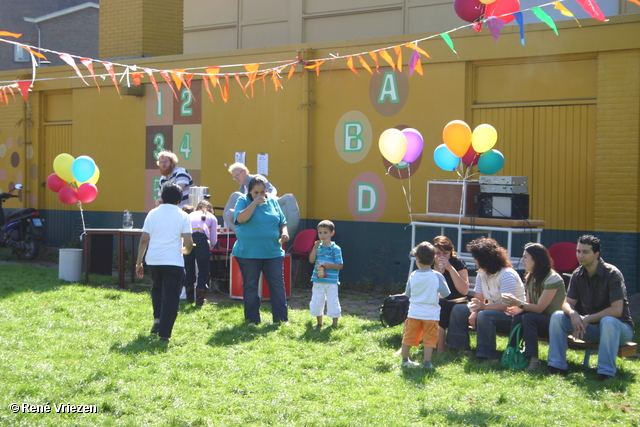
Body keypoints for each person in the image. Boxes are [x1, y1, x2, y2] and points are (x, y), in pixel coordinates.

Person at [547, 235, 634, 380]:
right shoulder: (578, 274)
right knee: (557, 316)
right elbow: (567, 303)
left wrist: (587, 319)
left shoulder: (612, 274)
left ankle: (606, 373)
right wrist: (573, 314)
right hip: (593, 328)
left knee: (608, 321)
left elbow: (617, 310)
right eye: (578, 251)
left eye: (585, 252)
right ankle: (557, 367)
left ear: (597, 254)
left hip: (620, 329)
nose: (580, 255)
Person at [446, 237, 525, 360]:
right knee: (459, 309)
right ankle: (459, 348)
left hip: (511, 317)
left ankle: (487, 355)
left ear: (485, 259)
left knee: (485, 315)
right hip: (491, 310)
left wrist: (483, 308)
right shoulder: (482, 273)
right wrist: (474, 311)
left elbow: (507, 305)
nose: (473, 260)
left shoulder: (507, 275)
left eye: (476, 257)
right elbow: (478, 299)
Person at [136, 183, 193, 341]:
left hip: (154, 260)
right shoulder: (183, 215)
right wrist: (186, 250)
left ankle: (157, 320)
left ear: (162, 196)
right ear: (179, 199)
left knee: (157, 289)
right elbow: (188, 241)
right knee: (171, 297)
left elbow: (144, 240)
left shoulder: (152, 213)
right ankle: (165, 334)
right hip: (174, 261)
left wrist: (139, 262)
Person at [232, 176, 289, 325]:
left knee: (277, 285)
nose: (260, 195)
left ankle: (281, 319)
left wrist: (284, 232)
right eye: (256, 192)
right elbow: (241, 219)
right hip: (248, 252)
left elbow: (282, 222)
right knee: (250, 285)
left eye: (262, 192)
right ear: (249, 191)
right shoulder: (243, 201)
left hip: (273, 251)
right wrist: (255, 203)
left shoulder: (272, 202)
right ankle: (252, 320)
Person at [501, 243, 566, 370]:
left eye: (525, 257)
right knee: (521, 315)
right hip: (538, 320)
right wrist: (519, 309)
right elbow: (529, 304)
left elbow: (539, 308)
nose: (522, 260)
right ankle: (512, 353)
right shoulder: (530, 277)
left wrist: (516, 302)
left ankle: (534, 361)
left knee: (528, 318)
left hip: (556, 324)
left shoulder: (552, 279)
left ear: (536, 259)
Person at [400, 241, 450, 369]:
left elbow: (408, 293)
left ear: (417, 259)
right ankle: (427, 363)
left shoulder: (413, 275)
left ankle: (405, 361)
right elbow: (445, 293)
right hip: (431, 314)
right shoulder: (437, 276)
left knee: (409, 337)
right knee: (430, 339)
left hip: (414, 312)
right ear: (434, 258)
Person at [432, 236, 469, 353]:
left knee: (440, 306)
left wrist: (450, 269)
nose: (441, 256)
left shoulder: (457, 263)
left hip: (456, 302)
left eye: (445, 253)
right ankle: (405, 345)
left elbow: (464, 290)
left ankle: (441, 348)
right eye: (438, 253)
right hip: (435, 301)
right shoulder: (429, 264)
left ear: (451, 252)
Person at [309, 220, 344, 330]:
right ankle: (319, 323)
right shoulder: (318, 247)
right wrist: (314, 248)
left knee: (332, 301)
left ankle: (334, 324)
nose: (322, 235)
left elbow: (340, 265)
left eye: (325, 232)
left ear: (332, 233)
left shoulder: (336, 249)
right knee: (317, 300)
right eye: (320, 233)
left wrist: (329, 265)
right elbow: (311, 260)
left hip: (331, 281)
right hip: (317, 279)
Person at [223, 162, 278, 230]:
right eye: (235, 177)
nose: (236, 179)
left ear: (244, 171)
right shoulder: (242, 188)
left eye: (237, 176)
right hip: (251, 216)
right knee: (229, 213)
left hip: (265, 212)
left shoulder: (257, 179)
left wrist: (269, 200)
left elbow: (273, 190)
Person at [183, 200, 218, 306]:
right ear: (210, 210)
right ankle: (200, 299)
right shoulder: (211, 217)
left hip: (188, 239)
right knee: (203, 270)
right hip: (202, 240)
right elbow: (213, 240)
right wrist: (210, 247)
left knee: (189, 269)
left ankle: (189, 299)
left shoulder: (189, 215)